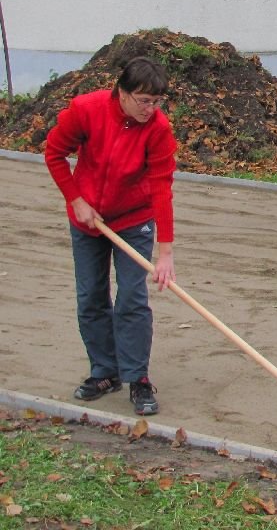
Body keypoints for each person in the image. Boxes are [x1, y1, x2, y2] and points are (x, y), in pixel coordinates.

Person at [44, 57, 177, 416]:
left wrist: (165, 252)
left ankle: (138, 378)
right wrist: (76, 199)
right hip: (88, 220)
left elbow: (161, 187)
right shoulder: (86, 110)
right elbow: (54, 154)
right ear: (122, 92)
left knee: (132, 298)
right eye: (143, 100)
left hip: (134, 219)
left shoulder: (158, 129)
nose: (150, 109)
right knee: (91, 295)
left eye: (157, 101)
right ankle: (105, 372)